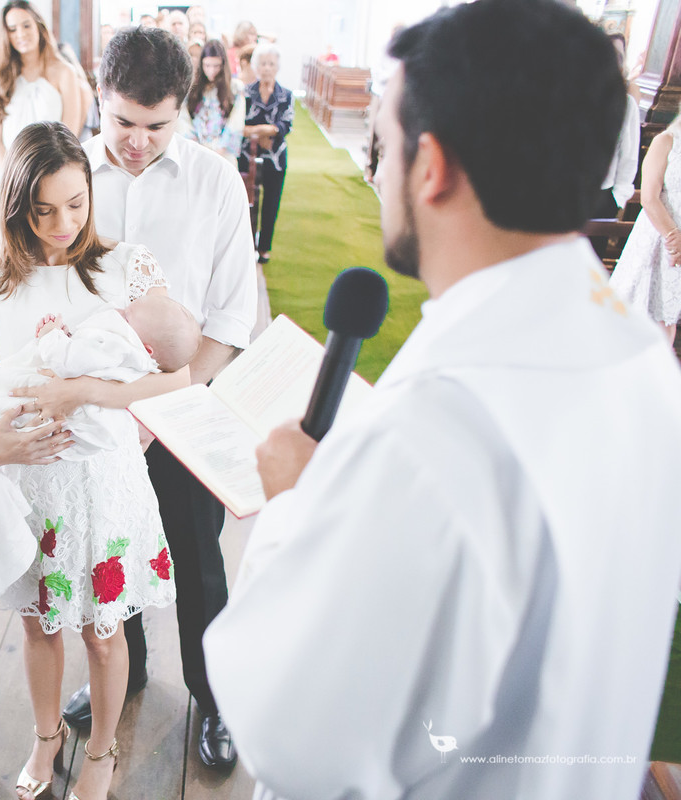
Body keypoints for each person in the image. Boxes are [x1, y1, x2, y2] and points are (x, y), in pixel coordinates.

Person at [204, 3, 681, 799]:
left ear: (433, 167)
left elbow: (297, 736)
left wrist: (293, 505)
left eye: (381, 146)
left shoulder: (434, 438)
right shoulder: (642, 363)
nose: (375, 171)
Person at [0, 121, 182, 800]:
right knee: (39, 627)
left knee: (106, 633)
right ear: (16, 206)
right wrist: (3, 437)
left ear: (91, 190)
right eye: (44, 209)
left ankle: (103, 751)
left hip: (104, 477)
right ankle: (46, 735)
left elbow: (177, 376)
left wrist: (84, 391)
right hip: (32, 483)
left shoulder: (125, 267)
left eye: (76, 203)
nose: (63, 223)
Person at [60, 25, 258, 771]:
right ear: (99, 97)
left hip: (187, 408)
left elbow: (232, 319)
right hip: (94, 413)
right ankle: (129, 667)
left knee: (198, 558)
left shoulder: (214, 181)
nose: (136, 142)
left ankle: (214, 698)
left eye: (155, 126)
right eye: (121, 123)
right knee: (108, 547)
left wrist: (163, 405)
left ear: (182, 109)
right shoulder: (66, 176)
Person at [0, 293, 200, 623]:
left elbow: (67, 359)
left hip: (87, 470)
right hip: (41, 456)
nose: (121, 309)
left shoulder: (117, 343)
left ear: (147, 347)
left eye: (129, 313)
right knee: (41, 623)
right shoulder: (138, 349)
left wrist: (51, 334)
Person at [0, 0, 83, 247]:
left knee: (47, 250)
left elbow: (71, 131)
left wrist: (44, 178)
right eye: (13, 29)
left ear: (39, 26)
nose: (21, 34)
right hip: (9, 176)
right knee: (10, 252)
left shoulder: (63, 72)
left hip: (52, 175)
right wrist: (15, 177)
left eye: (26, 26)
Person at [609, 115, 681, 342]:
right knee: (647, 315)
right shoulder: (667, 141)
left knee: (668, 318)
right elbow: (649, 197)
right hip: (659, 239)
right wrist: (674, 237)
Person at [240, 42, 294, 264]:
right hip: (246, 155)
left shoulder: (286, 95)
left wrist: (257, 131)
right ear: (255, 66)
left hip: (276, 157)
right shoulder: (246, 93)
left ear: (278, 67)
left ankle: (264, 248)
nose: (267, 68)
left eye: (271, 64)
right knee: (248, 201)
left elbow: (285, 126)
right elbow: (240, 126)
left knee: (271, 202)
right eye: (262, 63)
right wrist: (265, 130)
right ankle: (247, 244)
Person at [593, 32, 641, 219]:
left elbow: (628, 157)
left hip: (603, 195)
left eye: (618, 57)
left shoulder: (626, 105)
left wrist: (618, 199)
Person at [180, 40, 245, 164]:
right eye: (207, 65)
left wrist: (221, 148)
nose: (212, 70)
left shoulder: (235, 88)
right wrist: (193, 143)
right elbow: (183, 118)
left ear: (223, 65)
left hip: (223, 152)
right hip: (195, 150)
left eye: (216, 66)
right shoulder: (192, 88)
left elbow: (236, 122)